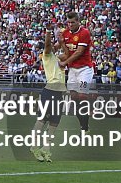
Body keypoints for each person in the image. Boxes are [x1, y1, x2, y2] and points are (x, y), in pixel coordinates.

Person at [31, 28, 67, 163]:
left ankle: (46, 149)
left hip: (59, 93)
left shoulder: (58, 58)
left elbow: (63, 48)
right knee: (42, 120)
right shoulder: (47, 55)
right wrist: (48, 33)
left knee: (54, 122)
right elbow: (48, 45)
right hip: (50, 91)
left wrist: (61, 39)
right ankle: (34, 147)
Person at [58, 11, 95, 132]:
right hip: (72, 70)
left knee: (82, 95)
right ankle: (84, 125)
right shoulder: (65, 33)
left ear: (78, 22)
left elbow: (79, 52)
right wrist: (60, 43)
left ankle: (89, 109)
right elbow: (65, 50)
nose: (70, 25)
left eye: (72, 22)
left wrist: (64, 62)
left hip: (84, 69)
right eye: (68, 23)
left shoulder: (84, 33)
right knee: (74, 97)